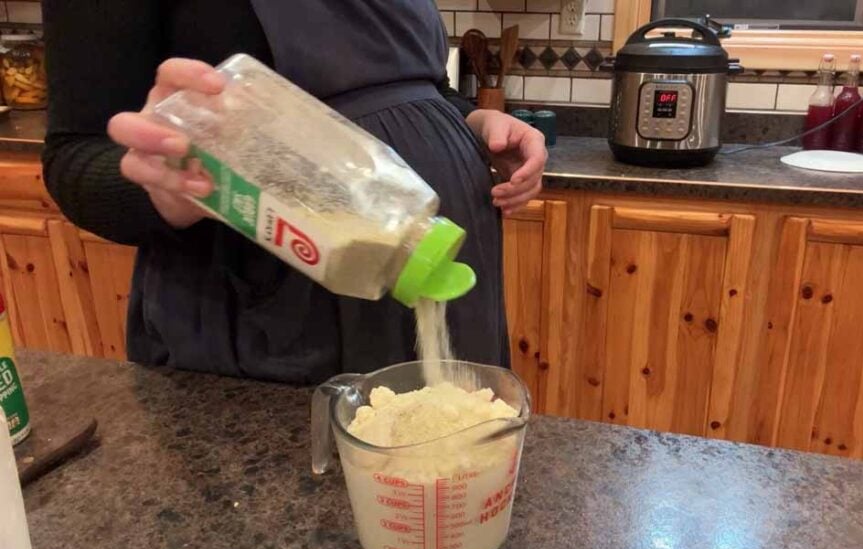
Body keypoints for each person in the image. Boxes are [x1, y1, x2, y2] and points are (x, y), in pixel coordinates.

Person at [41, 0, 547, 384]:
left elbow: (419, 84)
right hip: (276, 302)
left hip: (445, 262)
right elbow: (73, 159)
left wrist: (471, 120)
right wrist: (172, 192)